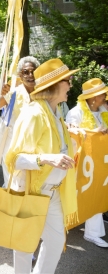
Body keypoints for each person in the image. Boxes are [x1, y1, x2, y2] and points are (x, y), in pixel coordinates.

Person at [5, 58, 79, 274]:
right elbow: (14, 159)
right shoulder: (34, 113)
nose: (71, 84)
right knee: (25, 245)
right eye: (68, 80)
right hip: (34, 192)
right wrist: (46, 159)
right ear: (55, 85)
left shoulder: (56, 112)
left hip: (52, 193)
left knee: (56, 243)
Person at [66, 78, 108, 248]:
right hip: (79, 164)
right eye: (102, 94)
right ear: (92, 98)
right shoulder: (76, 112)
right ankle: (61, 226)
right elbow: (71, 134)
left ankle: (93, 233)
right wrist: (94, 133)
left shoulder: (104, 110)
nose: (105, 97)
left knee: (96, 194)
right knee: (74, 195)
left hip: (98, 164)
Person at [1, 56, 40, 186]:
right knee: (15, 190)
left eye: (33, 71)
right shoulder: (12, 94)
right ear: (20, 75)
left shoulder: (44, 95)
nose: (30, 75)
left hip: (38, 150)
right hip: (14, 152)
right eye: (25, 72)